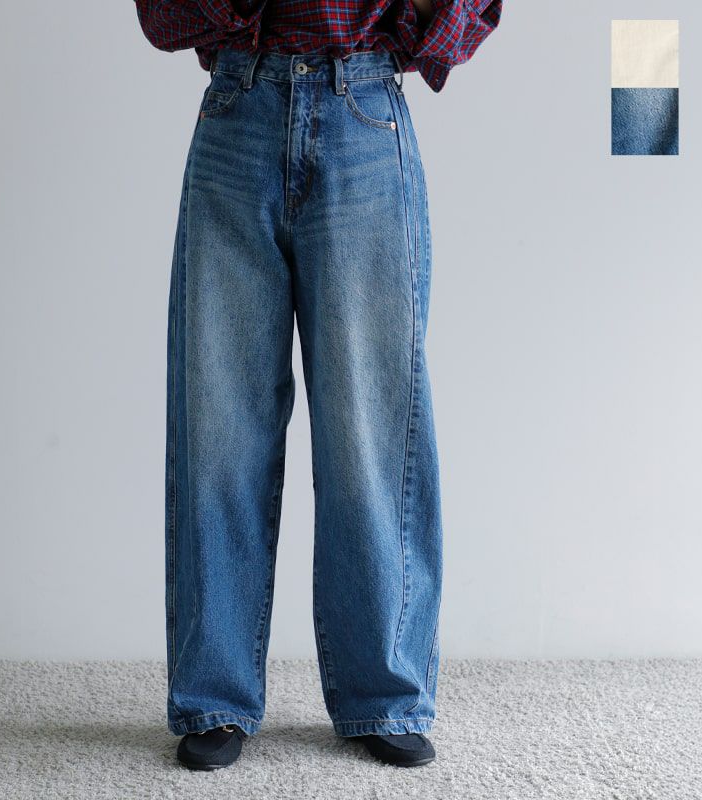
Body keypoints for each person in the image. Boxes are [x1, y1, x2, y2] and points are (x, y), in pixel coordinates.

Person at [132, 0, 502, 771]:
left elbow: (465, 19)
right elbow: (161, 16)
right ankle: (214, 696)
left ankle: (384, 694)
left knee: (370, 431)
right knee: (218, 428)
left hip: (362, 107)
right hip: (238, 109)